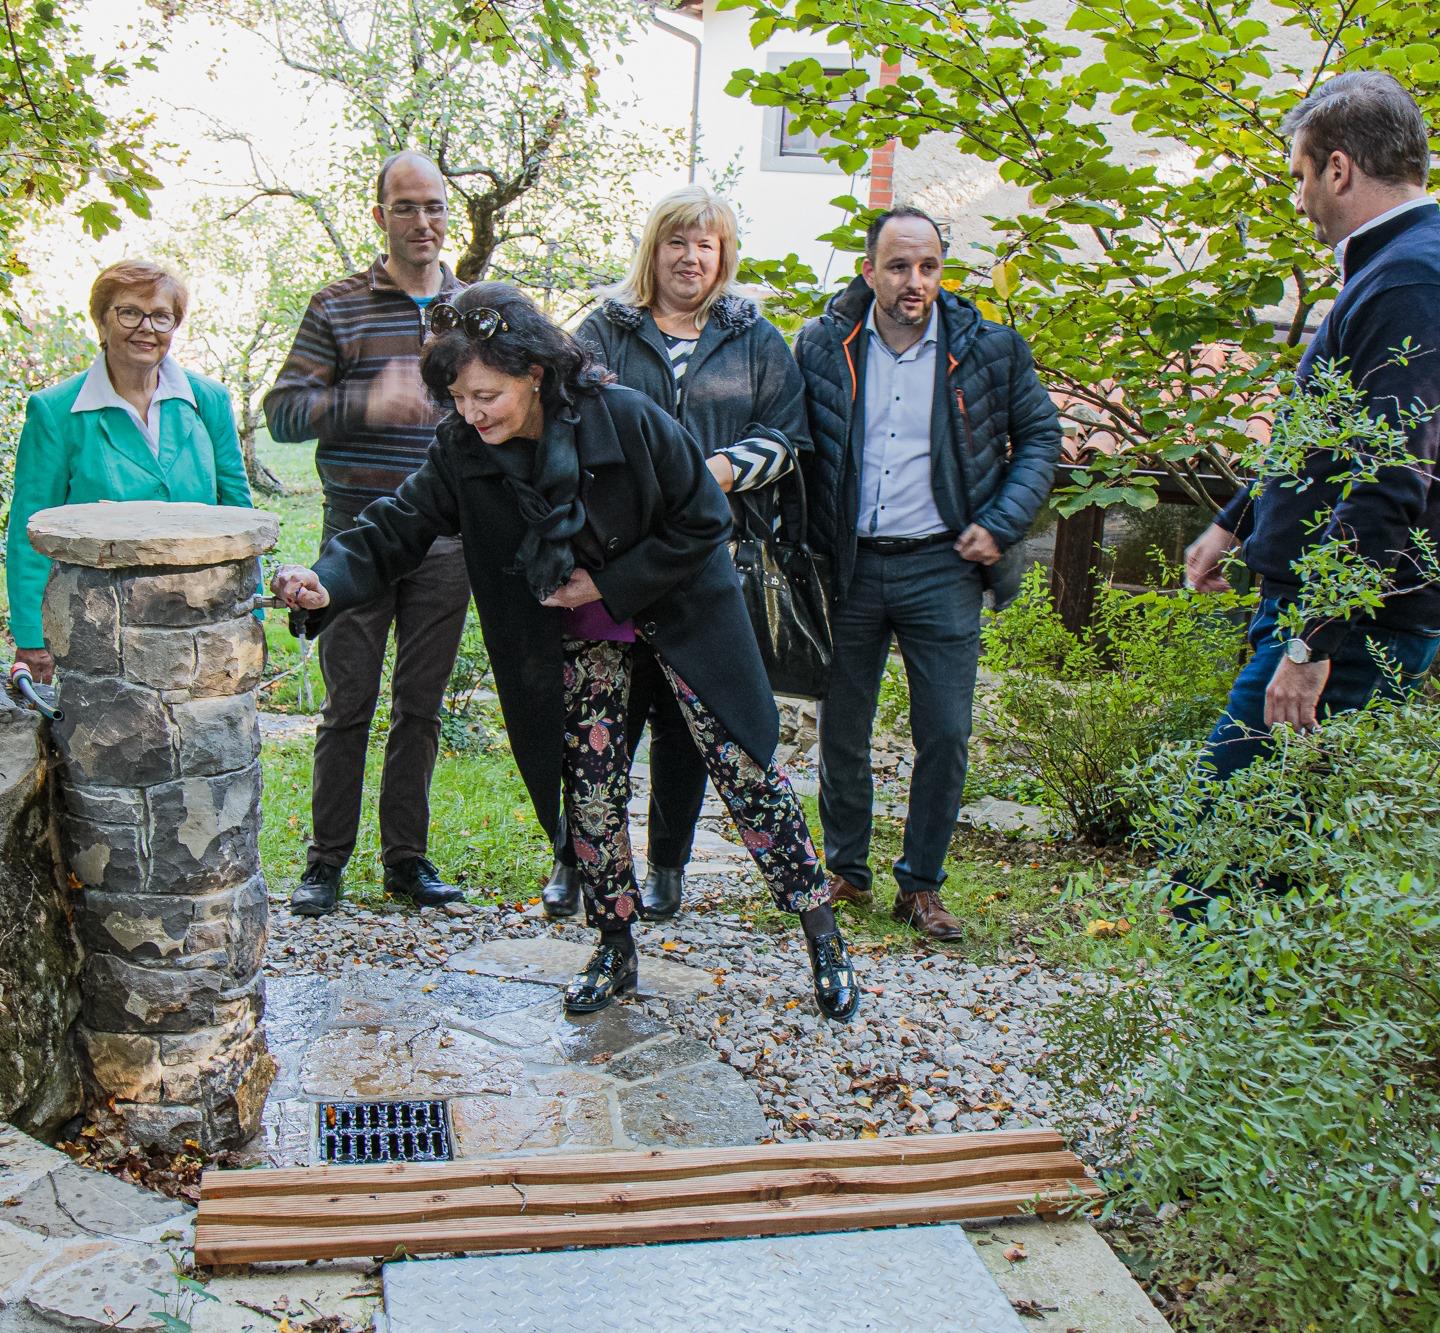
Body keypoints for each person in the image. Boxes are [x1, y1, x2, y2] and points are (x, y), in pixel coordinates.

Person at [269, 284, 860, 1022]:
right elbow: (398, 524)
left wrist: (605, 583)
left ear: (536, 373)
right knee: (589, 791)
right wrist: (324, 583)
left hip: (681, 615)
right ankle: (614, 942)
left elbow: (704, 520)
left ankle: (821, 934)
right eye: (456, 397)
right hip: (585, 640)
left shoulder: (629, 420)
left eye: (485, 394)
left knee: (746, 774)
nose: (472, 413)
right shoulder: (463, 448)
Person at [1183, 72, 1440, 810]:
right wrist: (1234, 521)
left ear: (1339, 168)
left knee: (1222, 846)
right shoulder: (1395, 266)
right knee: (1271, 854)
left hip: (1353, 628)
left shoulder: (1413, 278)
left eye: (1299, 176)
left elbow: (1391, 473)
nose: (1297, 199)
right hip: (1331, 617)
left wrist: (1310, 643)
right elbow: (1323, 436)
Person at [794, 206, 1062, 944]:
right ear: (869, 271)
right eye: (900, 267)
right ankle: (846, 866)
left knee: (944, 731)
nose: (916, 282)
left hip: (942, 564)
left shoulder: (990, 350)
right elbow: (796, 444)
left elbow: (1041, 436)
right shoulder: (823, 343)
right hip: (848, 567)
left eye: (929, 267)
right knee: (841, 729)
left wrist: (1002, 524)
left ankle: (921, 884)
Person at [555, 186, 811, 924]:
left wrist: (713, 471)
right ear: (654, 250)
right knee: (600, 718)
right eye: (677, 242)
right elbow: (568, 421)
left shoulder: (755, 336)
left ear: (723, 254)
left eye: (706, 243)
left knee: (680, 723)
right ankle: (575, 861)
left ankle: (667, 865)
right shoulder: (605, 329)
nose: (691, 257)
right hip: (611, 558)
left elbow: (789, 437)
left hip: (706, 560)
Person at [264, 151, 470, 917]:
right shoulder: (338, 305)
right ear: (379, 214)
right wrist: (364, 401)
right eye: (407, 206)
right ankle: (324, 864)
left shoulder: (473, 310)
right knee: (348, 702)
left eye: (436, 206)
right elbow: (281, 412)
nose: (424, 222)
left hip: (447, 541)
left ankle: (407, 862)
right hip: (355, 534)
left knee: (422, 705)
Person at [7, 260, 251, 682]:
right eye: (129, 312)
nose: (147, 327)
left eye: (162, 316)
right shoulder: (56, 411)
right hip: (95, 622)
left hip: (201, 617)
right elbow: (29, 529)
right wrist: (32, 636)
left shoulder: (209, 400)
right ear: (101, 322)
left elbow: (238, 512)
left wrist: (249, 606)